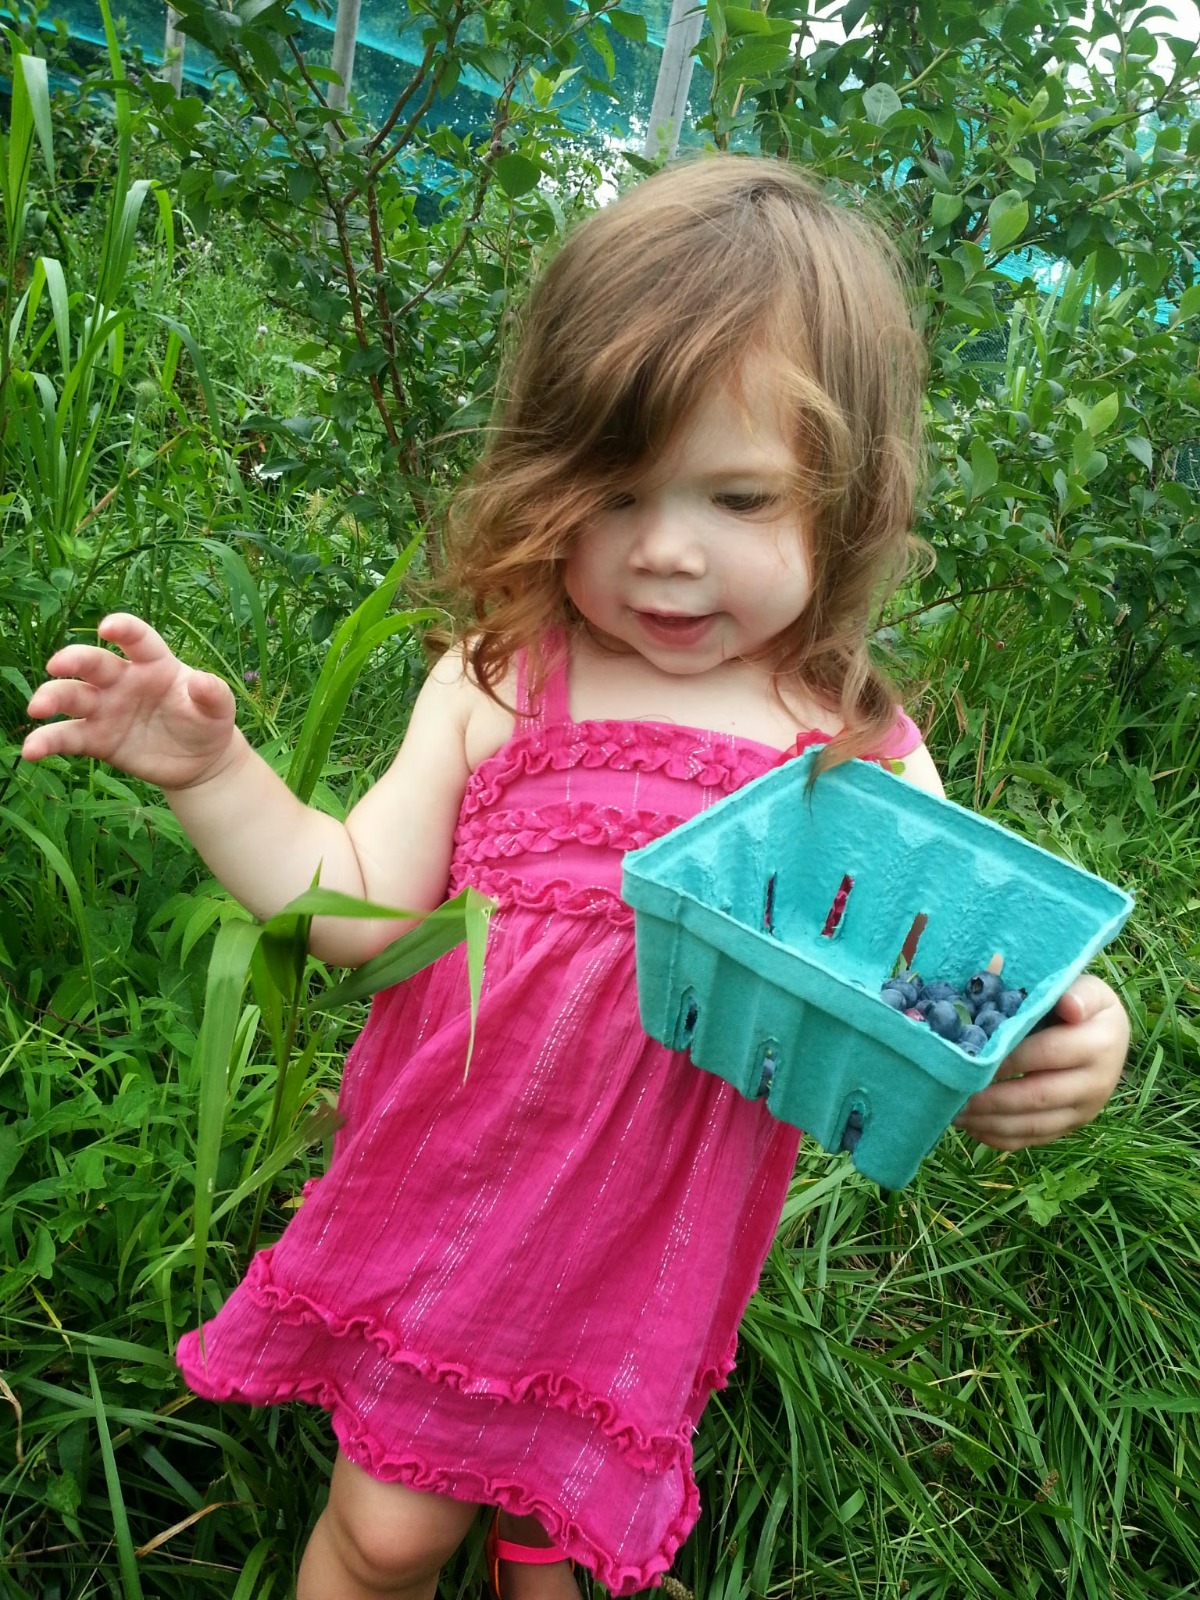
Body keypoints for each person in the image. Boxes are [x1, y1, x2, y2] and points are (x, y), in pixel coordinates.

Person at [21, 156, 1129, 1600]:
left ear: (844, 500)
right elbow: (351, 908)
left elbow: (931, 1006)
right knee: (388, 1533)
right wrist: (211, 775)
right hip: (454, 1206)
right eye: (616, 492)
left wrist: (1045, 1040)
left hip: (643, 1255)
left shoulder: (851, 756)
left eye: (737, 496)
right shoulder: (502, 682)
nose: (667, 554)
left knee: (560, 1564)